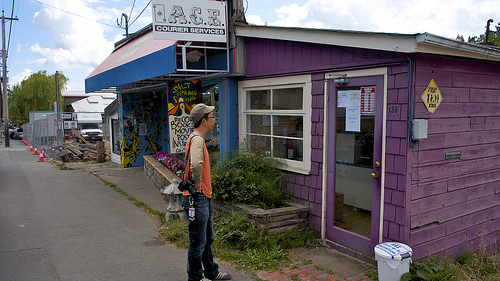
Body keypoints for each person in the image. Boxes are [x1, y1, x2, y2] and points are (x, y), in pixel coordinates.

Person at [181, 103, 232, 281]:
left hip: (203, 197)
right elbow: (195, 164)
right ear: (204, 121)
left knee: (207, 239)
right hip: (198, 198)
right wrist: (198, 184)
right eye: (212, 116)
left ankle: (211, 272)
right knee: (198, 242)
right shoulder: (197, 139)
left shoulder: (195, 138)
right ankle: (195, 277)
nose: (214, 119)